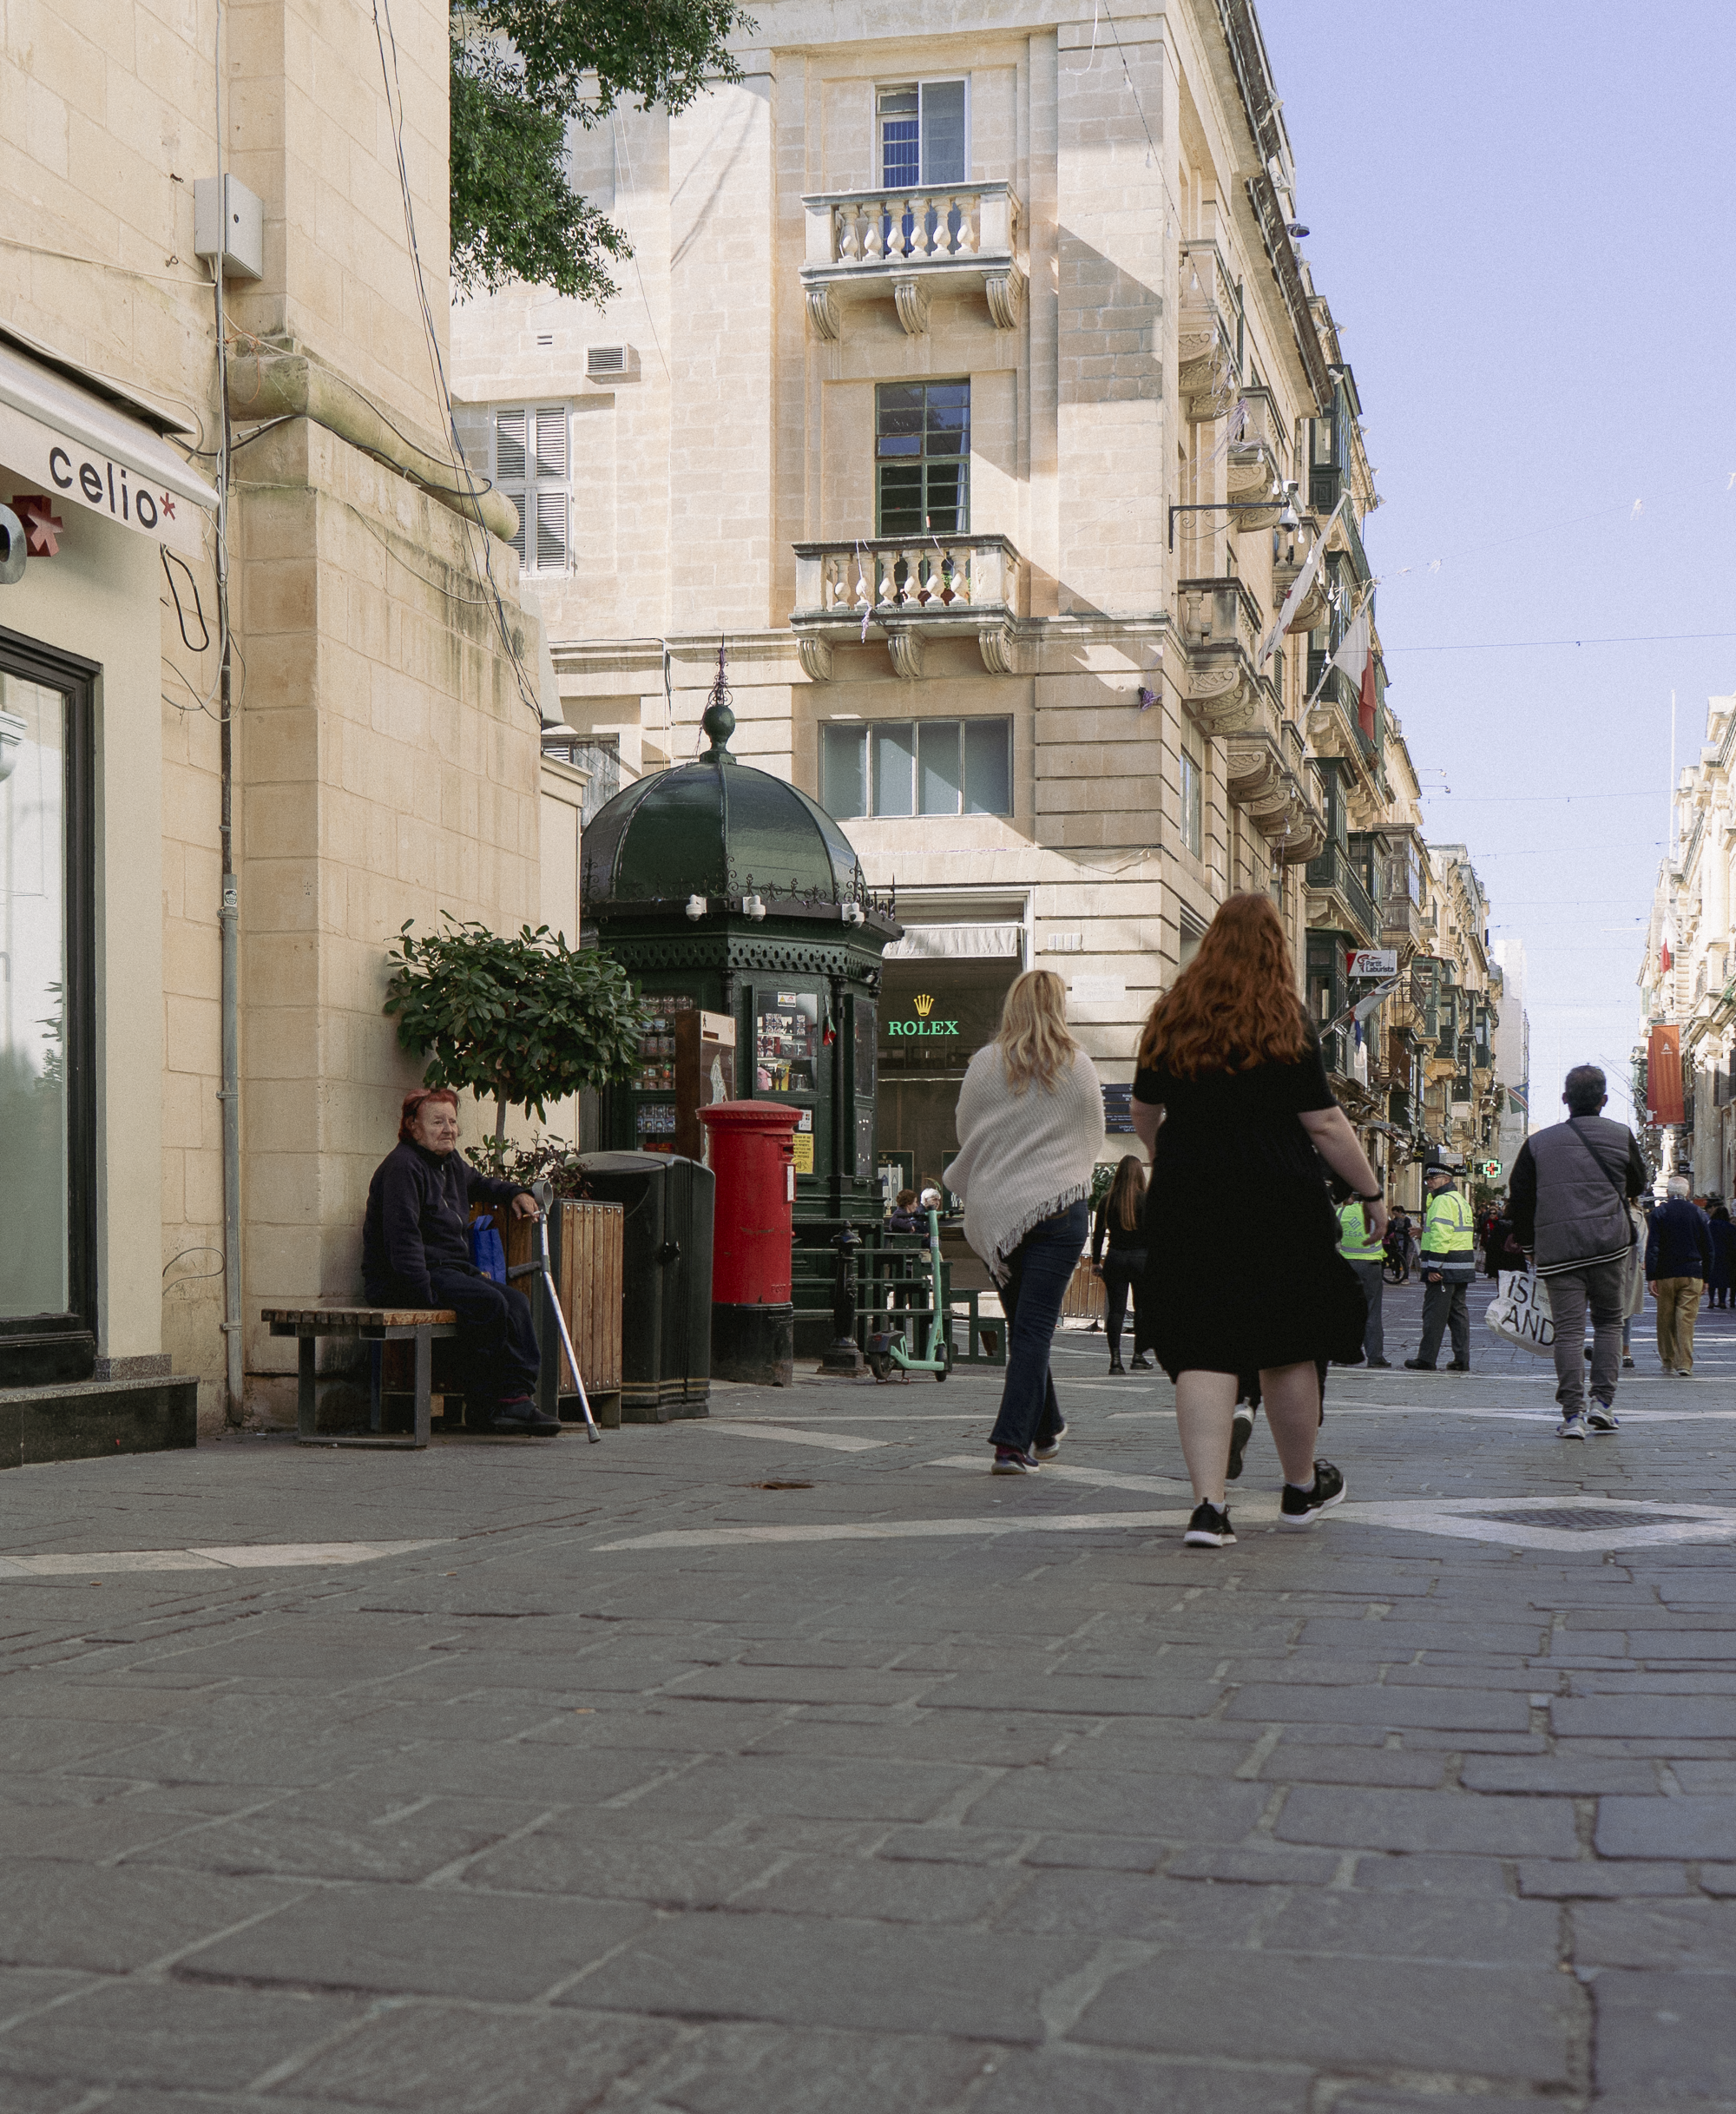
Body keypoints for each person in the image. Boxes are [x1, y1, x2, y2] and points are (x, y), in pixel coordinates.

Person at [1131, 893, 1376, 1550]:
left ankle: (1209, 1509)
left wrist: (1162, 1154)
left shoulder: (1170, 1015)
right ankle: (1299, 1490)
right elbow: (1324, 1123)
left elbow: (1143, 1106)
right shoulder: (1284, 1017)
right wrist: (1372, 1191)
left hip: (1189, 1196)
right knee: (1288, 1341)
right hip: (1279, 1195)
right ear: (1274, 948)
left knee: (1202, 1346)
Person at [950, 970, 1105, 1474]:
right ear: (1058, 1006)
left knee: (1027, 1328)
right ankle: (1013, 1444)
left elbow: (965, 1128)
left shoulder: (982, 1064)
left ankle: (1045, 1427)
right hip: (1060, 1211)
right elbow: (1093, 1136)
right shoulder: (1077, 1066)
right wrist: (1058, 1169)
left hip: (1000, 1213)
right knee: (1032, 1330)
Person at [361, 1087, 556, 1433]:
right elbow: (403, 1241)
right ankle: (485, 1405)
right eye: (437, 1122)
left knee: (517, 1302)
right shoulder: (403, 1168)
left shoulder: (448, 1162)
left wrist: (516, 1192)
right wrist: (424, 1296)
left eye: (452, 1121)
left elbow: (480, 1183)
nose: (449, 1129)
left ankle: (516, 1398)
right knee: (489, 1303)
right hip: (406, 1279)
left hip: (448, 1270)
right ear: (413, 1127)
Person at [1506, 1064, 1649, 1436]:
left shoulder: (1538, 1143)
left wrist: (1530, 1245)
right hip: (1610, 1246)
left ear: (1565, 1099)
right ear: (1603, 1100)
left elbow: (1519, 1198)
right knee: (1609, 1324)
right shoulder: (1621, 1135)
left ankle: (1572, 1416)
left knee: (1568, 1332)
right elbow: (1638, 1180)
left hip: (1558, 1250)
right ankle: (1603, 1403)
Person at [1404, 1168, 1476, 1373]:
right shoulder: (1458, 1199)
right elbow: (1450, 1231)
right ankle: (1462, 1359)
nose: (1428, 1182)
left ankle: (1426, 1359)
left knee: (1434, 1315)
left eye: (1432, 1178)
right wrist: (1424, 1231)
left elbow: (1442, 1235)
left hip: (1445, 1268)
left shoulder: (1442, 1201)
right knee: (1458, 1315)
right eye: (1426, 1178)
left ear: (1446, 1179)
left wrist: (1434, 1266)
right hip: (1461, 1266)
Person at [1647, 1175, 1713, 1377]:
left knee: (1665, 1318)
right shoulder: (1698, 1213)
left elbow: (1653, 1247)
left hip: (1666, 1273)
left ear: (1668, 1193)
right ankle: (1684, 1363)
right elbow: (1708, 1248)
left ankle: (1667, 1361)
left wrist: (1652, 1276)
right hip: (1692, 1273)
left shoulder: (1660, 1213)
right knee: (1686, 1319)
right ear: (1688, 1193)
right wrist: (1707, 1277)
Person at [1092, 1155, 1151, 1375]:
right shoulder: (1146, 1200)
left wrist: (1096, 1262)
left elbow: (1098, 1235)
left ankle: (1115, 1361)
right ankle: (1138, 1356)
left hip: (1115, 1258)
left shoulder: (1107, 1200)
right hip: (1141, 1260)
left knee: (1116, 1310)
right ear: (1139, 1174)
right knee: (1142, 1308)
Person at [1333, 1179, 1391, 1367]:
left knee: (1344, 1310)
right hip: (1371, 1266)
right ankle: (1375, 1358)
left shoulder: (1341, 1211)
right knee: (1372, 1311)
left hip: (1347, 1265)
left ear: (1351, 1197)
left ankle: (1341, 1357)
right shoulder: (1374, 1213)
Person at [1709, 1202, 1735, 1310]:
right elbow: (1733, 1243)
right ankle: (1722, 1301)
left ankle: (1711, 1300)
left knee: (1712, 1279)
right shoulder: (1730, 1227)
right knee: (1723, 1279)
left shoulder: (1710, 1225)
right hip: (1726, 1255)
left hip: (1712, 1255)